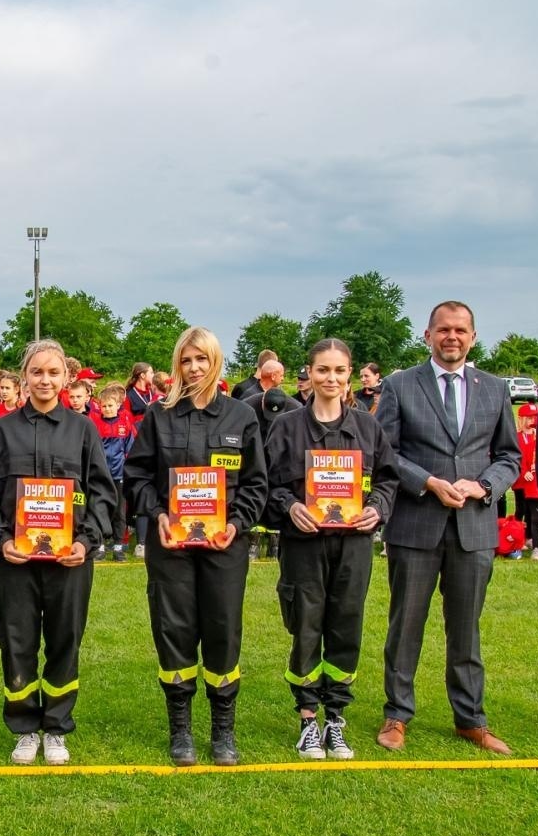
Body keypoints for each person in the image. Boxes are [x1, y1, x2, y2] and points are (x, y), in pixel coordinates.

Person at [373, 302, 521, 755]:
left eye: (460, 330)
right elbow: (386, 453)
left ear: (473, 337)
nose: (451, 337)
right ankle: (397, 715)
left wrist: (482, 487)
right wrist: (428, 483)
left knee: (466, 628)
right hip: (416, 524)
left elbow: (509, 457)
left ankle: (471, 719)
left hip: (473, 528)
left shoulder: (494, 389)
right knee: (406, 625)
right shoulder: (399, 385)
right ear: (428, 335)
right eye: (443, 330)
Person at [124, 327, 267, 766]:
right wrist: (159, 514)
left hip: (225, 547)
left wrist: (237, 523)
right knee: (175, 632)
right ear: (176, 365)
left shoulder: (241, 417)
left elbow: (256, 484)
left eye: (202, 359)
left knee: (223, 632)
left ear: (216, 363)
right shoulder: (158, 416)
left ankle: (223, 731)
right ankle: (181, 729)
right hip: (172, 546)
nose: (194, 368)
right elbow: (138, 476)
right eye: (186, 360)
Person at [0, 338, 116, 765]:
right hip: (14, 562)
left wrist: (87, 540)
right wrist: (0, 541)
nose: (45, 379)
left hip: (68, 561)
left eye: (53, 372)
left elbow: (102, 493)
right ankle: (23, 727)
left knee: (63, 640)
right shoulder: (1, 430)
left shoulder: (83, 430)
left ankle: (55, 727)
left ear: (67, 378)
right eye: (37, 371)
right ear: (24, 377)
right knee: (16, 641)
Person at [264, 338, 399, 761]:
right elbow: (265, 485)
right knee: (306, 628)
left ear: (349, 375)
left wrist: (377, 509)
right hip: (304, 546)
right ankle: (307, 720)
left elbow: (389, 480)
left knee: (345, 628)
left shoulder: (368, 428)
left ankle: (336, 720)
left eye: (339, 371)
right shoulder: (286, 427)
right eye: (323, 370)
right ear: (310, 373)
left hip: (353, 547)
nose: (331, 378)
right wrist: (291, 506)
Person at [93, 383, 136, 562]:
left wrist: (127, 468)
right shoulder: (94, 423)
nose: (107, 409)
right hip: (101, 476)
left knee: (119, 512)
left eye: (110, 405)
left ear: (118, 405)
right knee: (99, 509)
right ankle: (100, 545)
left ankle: (118, 547)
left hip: (119, 475)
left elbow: (131, 449)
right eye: (104, 406)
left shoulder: (125, 424)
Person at [513, 403, 538, 558]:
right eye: (529, 417)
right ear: (522, 419)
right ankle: (518, 537)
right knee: (521, 509)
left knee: (532, 511)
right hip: (520, 480)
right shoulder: (517, 436)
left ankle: (531, 537)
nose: (531, 420)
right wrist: (523, 471)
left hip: (533, 481)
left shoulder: (536, 435)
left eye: (534, 417)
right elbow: (517, 456)